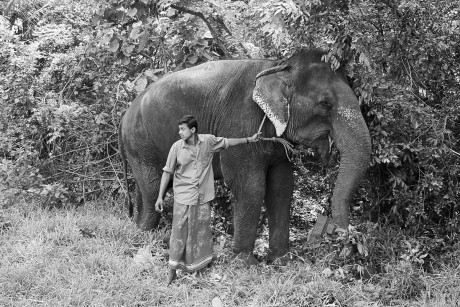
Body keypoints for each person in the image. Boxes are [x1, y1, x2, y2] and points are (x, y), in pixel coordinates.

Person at [155, 115, 260, 284]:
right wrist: (160, 197)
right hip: (183, 197)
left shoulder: (208, 142)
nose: (179, 132)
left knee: (200, 233)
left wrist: (249, 139)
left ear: (193, 130)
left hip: (202, 197)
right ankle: (172, 271)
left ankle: (197, 269)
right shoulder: (176, 147)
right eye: (179, 129)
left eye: (182, 129)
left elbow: (228, 142)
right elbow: (167, 171)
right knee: (179, 232)